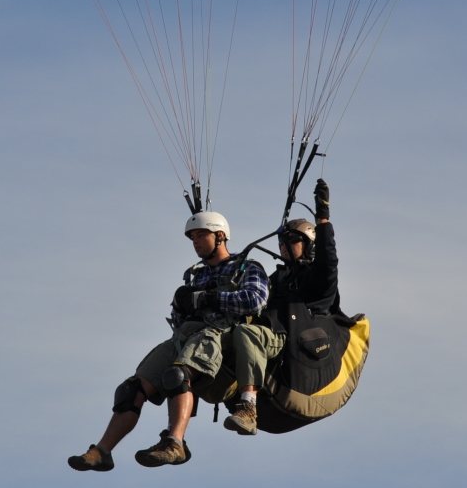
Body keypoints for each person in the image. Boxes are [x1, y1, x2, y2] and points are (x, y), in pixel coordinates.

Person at [68, 211, 269, 471]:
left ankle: (175, 443)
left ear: (220, 236)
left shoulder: (247, 267)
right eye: (192, 237)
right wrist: (181, 304)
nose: (195, 242)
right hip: (185, 334)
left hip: (220, 333)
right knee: (131, 389)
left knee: (177, 375)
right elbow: (178, 319)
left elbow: (256, 300)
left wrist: (209, 298)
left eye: (201, 235)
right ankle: (102, 451)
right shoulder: (195, 275)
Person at [223, 178, 339, 435]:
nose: (284, 247)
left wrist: (323, 223)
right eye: (282, 242)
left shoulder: (316, 282)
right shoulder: (275, 280)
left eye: (293, 241)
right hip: (271, 342)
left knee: (247, 334)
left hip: (295, 343)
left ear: (308, 245)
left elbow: (328, 264)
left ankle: (249, 407)